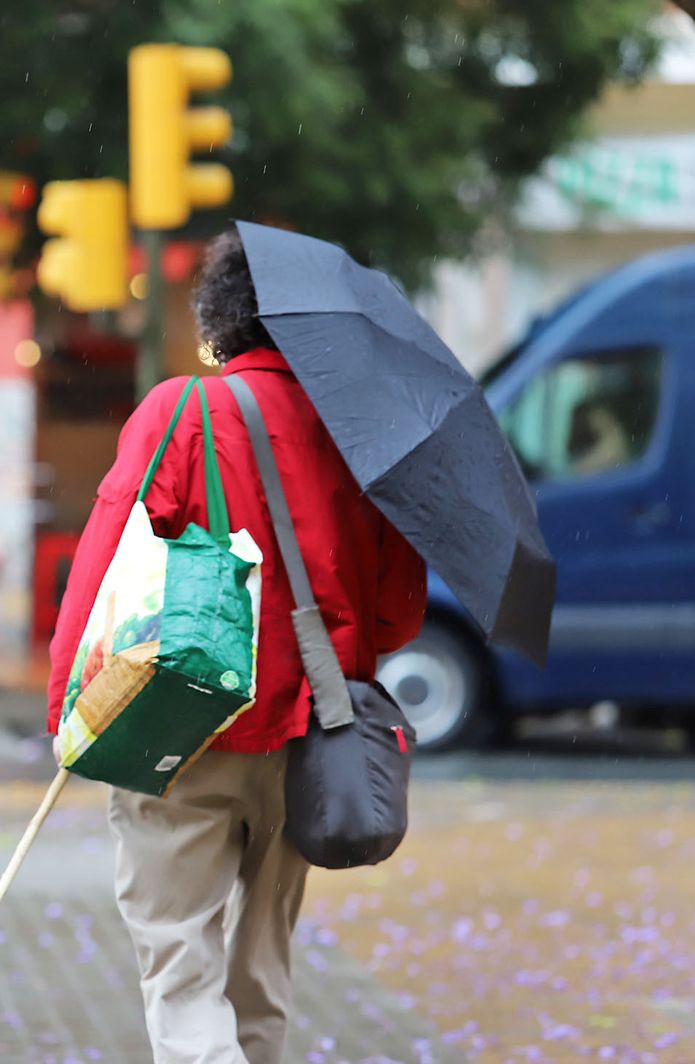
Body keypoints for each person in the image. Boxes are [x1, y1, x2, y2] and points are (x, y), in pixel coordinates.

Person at [46, 226, 427, 1064]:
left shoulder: (182, 412)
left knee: (180, 962)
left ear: (229, 315)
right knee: (261, 975)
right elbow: (398, 615)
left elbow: (106, 570)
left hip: (181, 729)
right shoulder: (366, 439)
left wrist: (69, 714)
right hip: (312, 740)